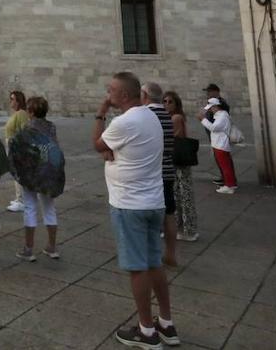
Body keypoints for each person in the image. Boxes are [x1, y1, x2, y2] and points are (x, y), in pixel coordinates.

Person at [94, 71, 178, 348]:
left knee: (137, 268)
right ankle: (166, 324)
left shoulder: (124, 122)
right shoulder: (151, 117)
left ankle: (146, 331)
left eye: (111, 90)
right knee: (154, 263)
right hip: (153, 201)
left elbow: (98, 145)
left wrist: (100, 114)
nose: (108, 93)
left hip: (129, 204)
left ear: (125, 95)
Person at [10, 95, 65, 261]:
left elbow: (17, 150)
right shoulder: (51, 127)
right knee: (49, 208)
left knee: (30, 207)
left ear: (31, 111)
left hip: (32, 173)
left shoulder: (27, 129)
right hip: (50, 172)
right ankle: (52, 246)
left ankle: (28, 249)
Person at [142, 82, 178, 266]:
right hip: (167, 171)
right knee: (169, 214)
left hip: (150, 173)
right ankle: (171, 253)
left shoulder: (146, 116)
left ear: (145, 95)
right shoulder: (168, 115)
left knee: (147, 215)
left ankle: (151, 255)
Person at [162, 91, 198, 242]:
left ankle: (186, 230)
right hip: (177, 161)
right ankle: (181, 229)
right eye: (164, 101)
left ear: (176, 104)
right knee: (177, 195)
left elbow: (171, 137)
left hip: (177, 162)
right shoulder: (174, 117)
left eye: (170, 101)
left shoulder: (175, 118)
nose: (166, 104)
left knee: (182, 196)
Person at [201, 98, 237, 194]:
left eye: (211, 108)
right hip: (220, 144)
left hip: (221, 145)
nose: (210, 110)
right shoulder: (221, 115)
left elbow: (214, 128)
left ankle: (229, 186)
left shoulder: (222, 116)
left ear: (215, 106)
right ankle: (231, 183)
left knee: (225, 166)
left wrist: (203, 119)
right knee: (226, 165)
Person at [3, 90, 29, 213]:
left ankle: (21, 201)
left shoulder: (22, 114)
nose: (10, 101)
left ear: (19, 101)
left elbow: (24, 132)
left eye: (12, 99)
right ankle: (19, 197)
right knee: (16, 173)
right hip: (12, 145)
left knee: (18, 173)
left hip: (17, 146)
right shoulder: (17, 113)